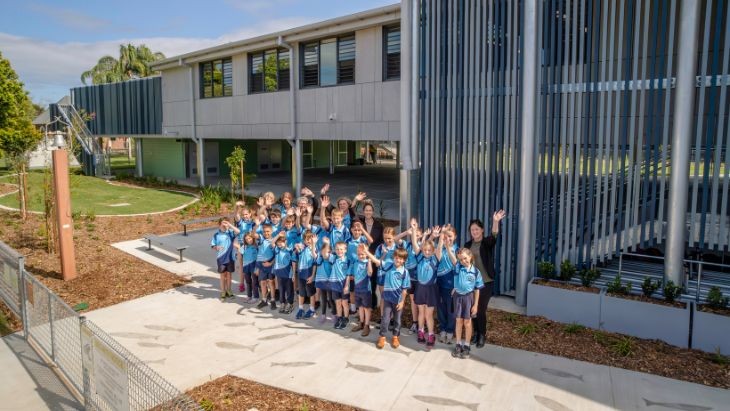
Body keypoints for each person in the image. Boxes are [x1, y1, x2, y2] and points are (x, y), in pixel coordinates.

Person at [463, 210, 506, 348]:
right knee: (472, 309)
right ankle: (475, 333)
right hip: (471, 282)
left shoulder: (487, 243)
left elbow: (494, 236)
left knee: (480, 309)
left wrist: (495, 221)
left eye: (477, 229)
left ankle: (482, 334)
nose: (474, 231)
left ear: (481, 230)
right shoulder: (468, 245)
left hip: (486, 282)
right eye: (472, 229)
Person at [365, 247, 410, 349]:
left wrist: (402, 302)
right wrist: (367, 252)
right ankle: (382, 336)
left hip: (398, 301)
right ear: (393, 257)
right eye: (396, 258)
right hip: (387, 299)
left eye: (400, 258)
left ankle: (395, 336)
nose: (398, 260)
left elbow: (404, 290)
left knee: (397, 320)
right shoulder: (389, 266)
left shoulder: (405, 272)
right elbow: (376, 261)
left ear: (404, 260)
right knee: (385, 318)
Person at [445, 247, 484, 359]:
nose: (463, 261)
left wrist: (475, 305)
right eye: (461, 259)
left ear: (470, 256)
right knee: (458, 321)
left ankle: (466, 345)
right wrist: (448, 247)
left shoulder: (476, 272)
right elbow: (453, 258)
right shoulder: (458, 268)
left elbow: (477, 289)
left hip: (468, 298)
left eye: (465, 258)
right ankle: (458, 344)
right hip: (457, 297)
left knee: (467, 322)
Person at [410, 221, 440, 350]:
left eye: (429, 250)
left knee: (429, 314)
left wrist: (441, 236)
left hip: (431, 289)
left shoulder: (435, 258)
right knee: (421, 312)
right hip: (420, 288)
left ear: (433, 251)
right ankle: (421, 331)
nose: (427, 252)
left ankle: (431, 334)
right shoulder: (420, 257)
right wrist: (414, 229)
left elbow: (439, 248)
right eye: (425, 250)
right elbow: (415, 244)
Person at [435, 225, 459, 344]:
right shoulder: (440, 247)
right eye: (446, 236)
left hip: (452, 287)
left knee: (451, 311)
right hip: (440, 285)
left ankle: (450, 331)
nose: (447, 238)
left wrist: (449, 249)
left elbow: (456, 264)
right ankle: (443, 330)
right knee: (441, 309)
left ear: (455, 237)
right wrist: (441, 238)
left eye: (450, 236)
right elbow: (438, 257)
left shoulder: (457, 249)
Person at [358, 201, 384, 309]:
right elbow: (350, 212)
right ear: (363, 211)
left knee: (372, 281)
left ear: (373, 211)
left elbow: (380, 242)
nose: (368, 212)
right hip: (361, 256)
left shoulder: (379, 225)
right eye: (366, 210)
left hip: (373, 256)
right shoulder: (359, 222)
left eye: (370, 210)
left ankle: (372, 304)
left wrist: (380, 256)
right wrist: (356, 201)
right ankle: (362, 303)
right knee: (361, 279)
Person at [211, 217, 240, 300]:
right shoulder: (216, 235)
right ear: (219, 225)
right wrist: (216, 247)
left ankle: (229, 290)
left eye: (226, 223)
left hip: (230, 258)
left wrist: (230, 225)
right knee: (222, 275)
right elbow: (213, 245)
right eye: (223, 223)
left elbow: (238, 231)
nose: (225, 225)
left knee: (229, 275)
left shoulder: (230, 233)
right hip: (221, 258)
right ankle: (223, 291)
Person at [349, 244, 373, 336]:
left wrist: (370, 262)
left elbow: (370, 273)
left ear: (366, 254)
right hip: (357, 289)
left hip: (366, 290)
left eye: (363, 254)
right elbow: (353, 275)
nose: (361, 256)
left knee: (366, 308)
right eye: (359, 254)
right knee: (360, 308)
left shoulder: (367, 262)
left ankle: (367, 325)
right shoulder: (355, 263)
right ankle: (361, 323)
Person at [294, 230, 318, 319]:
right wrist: (296, 247)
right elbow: (297, 251)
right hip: (301, 274)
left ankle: (312, 309)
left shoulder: (314, 249)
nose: (308, 241)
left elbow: (315, 261)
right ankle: (301, 309)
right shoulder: (302, 248)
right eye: (306, 239)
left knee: (311, 293)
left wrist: (312, 276)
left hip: (309, 275)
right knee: (301, 293)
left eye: (310, 239)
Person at [329, 242, 351, 329]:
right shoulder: (333, 258)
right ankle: (339, 318)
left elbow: (348, 275)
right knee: (337, 303)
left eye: (341, 249)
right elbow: (325, 254)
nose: (339, 251)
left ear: (345, 250)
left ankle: (346, 318)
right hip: (335, 284)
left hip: (344, 284)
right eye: (337, 249)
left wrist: (347, 286)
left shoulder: (348, 261)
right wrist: (327, 243)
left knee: (344, 303)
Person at [254, 224, 277, 310]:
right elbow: (253, 235)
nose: (266, 233)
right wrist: (256, 226)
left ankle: (273, 300)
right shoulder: (261, 240)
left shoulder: (274, 241)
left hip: (270, 266)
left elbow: (276, 255)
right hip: (261, 266)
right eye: (264, 231)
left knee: (271, 282)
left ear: (271, 232)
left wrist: (271, 263)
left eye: (268, 231)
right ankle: (264, 300)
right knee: (263, 283)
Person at [273, 232, 295, 314]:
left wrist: (293, 274)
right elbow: (272, 242)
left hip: (288, 275)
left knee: (289, 290)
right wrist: (278, 235)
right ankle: (282, 303)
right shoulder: (277, 250)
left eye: (281, 243)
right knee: (281, 290)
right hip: (279, 274)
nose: (279, 245)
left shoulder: (289, 250)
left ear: (285, 242)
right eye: (278, 244)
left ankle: (290, 303)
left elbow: (293, 263)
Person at [314, 241, 335, 323]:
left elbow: (328, 257)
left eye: (325, 251)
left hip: (329, 282)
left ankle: (334, 314)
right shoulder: (320, 258)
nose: (323, 253)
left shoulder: (332, 257)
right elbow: (315, 255)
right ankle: (323, 315)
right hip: (322, 282)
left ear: (329, 251)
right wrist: (313, 244)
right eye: (322, 252)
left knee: (331, 299)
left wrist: (327, 244)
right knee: (323, 299)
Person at [237, 232, 259, 304]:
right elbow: (239, 255)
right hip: (246, 266)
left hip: (254, 265)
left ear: (252, 238)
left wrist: (258, 267)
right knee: (248, 281)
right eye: (246, 239)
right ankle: (249, 296)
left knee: (254, 282)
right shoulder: (243, 247)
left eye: (249, 238)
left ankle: (255, 297)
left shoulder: (256, 246)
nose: (248, 240)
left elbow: (259, 257)